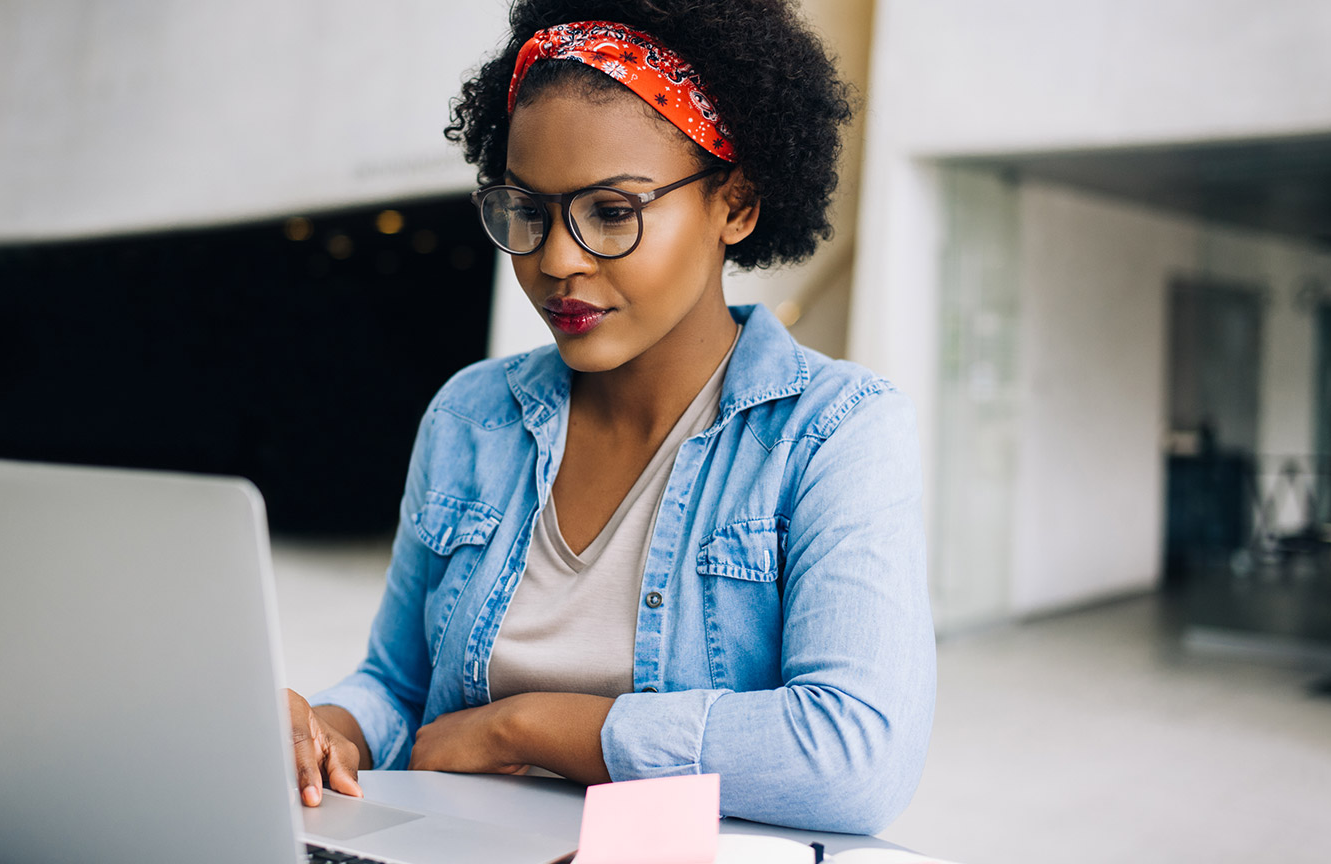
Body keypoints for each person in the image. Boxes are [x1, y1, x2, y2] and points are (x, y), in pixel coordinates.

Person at [285, 0, 935, 835]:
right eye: (529, 212)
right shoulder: (472, 416)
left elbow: (853, 756)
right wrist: (329, 729)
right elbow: (398, 687)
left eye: (612, 213)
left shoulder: (834, 432)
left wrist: (524, 726)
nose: (557, 260)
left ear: (735, 205)